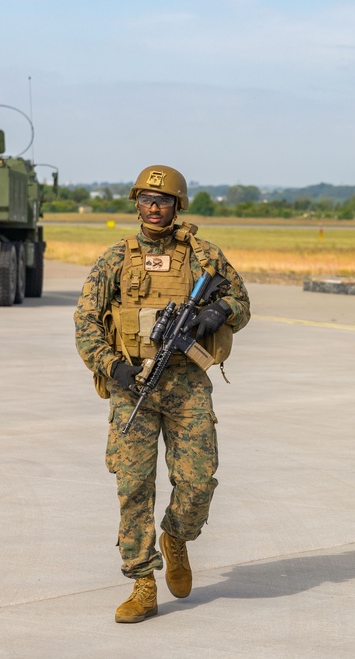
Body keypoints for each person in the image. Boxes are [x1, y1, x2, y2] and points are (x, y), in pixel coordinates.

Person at [73, 164, 251, 623]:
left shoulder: (204, 256)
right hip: (132, 385)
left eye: (164, 201)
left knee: (197, 482)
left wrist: (217, 314)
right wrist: (113, 367)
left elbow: (242, 302)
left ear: (177, 205)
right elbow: (86, 321)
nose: (155, 208)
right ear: (137, 204)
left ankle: (176, 535)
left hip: (187, 382)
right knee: (133, 487)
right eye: (148, 201)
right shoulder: (115, 259)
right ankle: (142, 582)